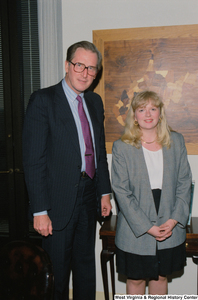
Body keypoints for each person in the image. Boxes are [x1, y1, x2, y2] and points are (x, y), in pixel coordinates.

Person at [22, 41, 112, 300]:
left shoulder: (94, 102)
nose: (85, 73)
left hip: (88, 196)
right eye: (79, 65)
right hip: (56, 203)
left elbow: (99, 152)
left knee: (85, 269)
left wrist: (104, 192)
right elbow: (33, 161)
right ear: (67, 65)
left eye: (91, 69)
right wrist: (40, 210)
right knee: (57, 276)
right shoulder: (43, 100)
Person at [111, 90, 192, 295]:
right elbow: (121, 192)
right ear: (135, 115)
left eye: (153, 109)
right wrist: (147, 227)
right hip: (135, 227)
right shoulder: (122, 147)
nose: (148, 114)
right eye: (141, 109)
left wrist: (174, 220)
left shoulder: (176, 141)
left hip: (169, 223)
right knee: (136, 280)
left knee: (160, 276)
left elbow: (184, 184)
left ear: (160, 113)